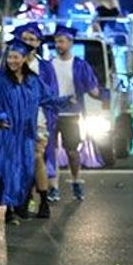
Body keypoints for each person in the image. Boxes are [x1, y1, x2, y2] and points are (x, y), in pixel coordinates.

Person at [0, 39, 59, 224]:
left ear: (24, 58)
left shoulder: (33, 81)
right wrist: (0, 117)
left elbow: (48, 99)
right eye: (10, 57)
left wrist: (67, 101)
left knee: (25, 169)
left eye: (16, 57)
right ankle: (7, 208)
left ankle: (20, 204)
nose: (12, 61)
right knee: (6, 168)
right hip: (7, 133)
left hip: (26, 133)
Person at [51, 25, 103, 201]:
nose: (59, 44)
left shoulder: (80, 65)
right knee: (51, 151)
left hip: (71, 115)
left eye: (62, 41)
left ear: (70, 43)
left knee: (72, 151)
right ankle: (53, 187)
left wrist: (102, 94)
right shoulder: (49, 65)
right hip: (51, 113)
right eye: (57, 41)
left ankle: (76, 181)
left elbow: (93, 89)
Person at [16, 22, 58, 213]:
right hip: (15, 120)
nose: (28, 42)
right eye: (25, 38)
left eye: (32, 39)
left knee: (36, 157)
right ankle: (24, 198)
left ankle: (42, 200)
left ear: (38, 42)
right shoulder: (11, 61)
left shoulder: (45, 67)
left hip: (38, 119)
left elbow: (51, 94)